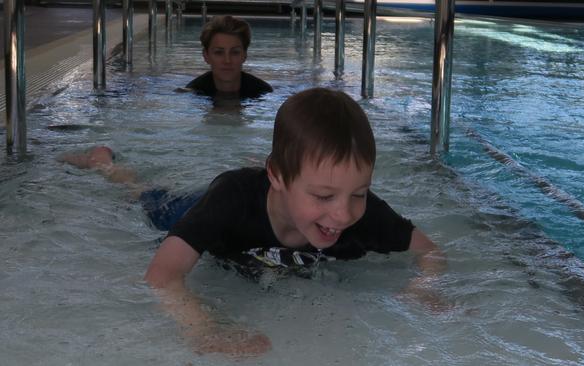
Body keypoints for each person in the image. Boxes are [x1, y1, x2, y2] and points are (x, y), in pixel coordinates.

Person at [60, 88, 446, 358]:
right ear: (277, 175)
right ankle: (104, 164)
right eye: (324, 196)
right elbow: (162, 276)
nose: (344, 214)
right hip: (189, 207)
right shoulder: (233, 200)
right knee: (140, 195)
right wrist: (204, 327)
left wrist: (423, 287)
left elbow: (430, 253)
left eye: (359, 193)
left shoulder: (361, 212)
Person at [184, 15, 273, 100]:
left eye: (235, 52)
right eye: (219, 53)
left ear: (244, 55)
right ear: (206, 56)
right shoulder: (192, 93)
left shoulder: (263, 92)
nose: (227, 60)